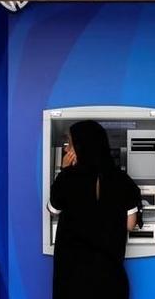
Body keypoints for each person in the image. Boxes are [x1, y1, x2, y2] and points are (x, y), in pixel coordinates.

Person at [48, 120, 142, 299]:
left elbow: (53, 209)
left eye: (70, 143)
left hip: (72, 279)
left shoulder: (66, 179)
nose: (67, 150)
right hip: (109, 277)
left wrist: (64, 171)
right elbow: (130, 224)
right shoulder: (122, 180)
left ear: (82, 147)